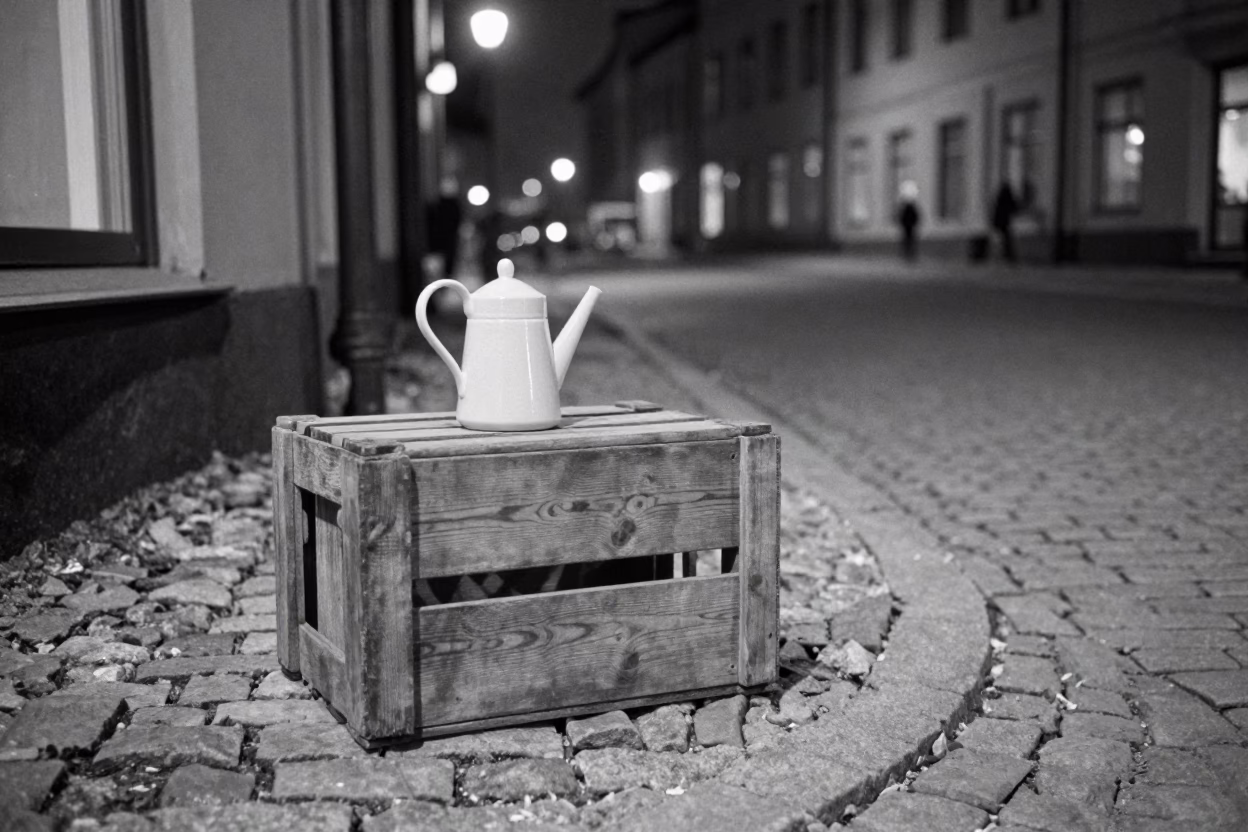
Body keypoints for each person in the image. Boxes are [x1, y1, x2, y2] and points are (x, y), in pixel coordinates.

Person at [427, 176, 463, 280]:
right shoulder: (454, 208)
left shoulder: (435, 207)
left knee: (435, 276)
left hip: (436, 248)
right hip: (444, 248)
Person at [992, 182, 1019, 263]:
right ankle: (1007, 254)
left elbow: (995, 213)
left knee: (1003, 239)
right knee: (1006, 239)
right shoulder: (1006, 199)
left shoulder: (999, 200)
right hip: (1004, 223)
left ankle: (1005, 254)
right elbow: (1014, 208)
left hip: (1000, 223)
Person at [896, 181, 921, 262]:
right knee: (909, 241)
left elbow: (903, 217)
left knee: (908, 241)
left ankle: (909, 255)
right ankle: (908, 255)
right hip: (909, 227)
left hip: (909, 227)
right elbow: (915, 217)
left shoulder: (907, 208)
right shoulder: (909, 208)